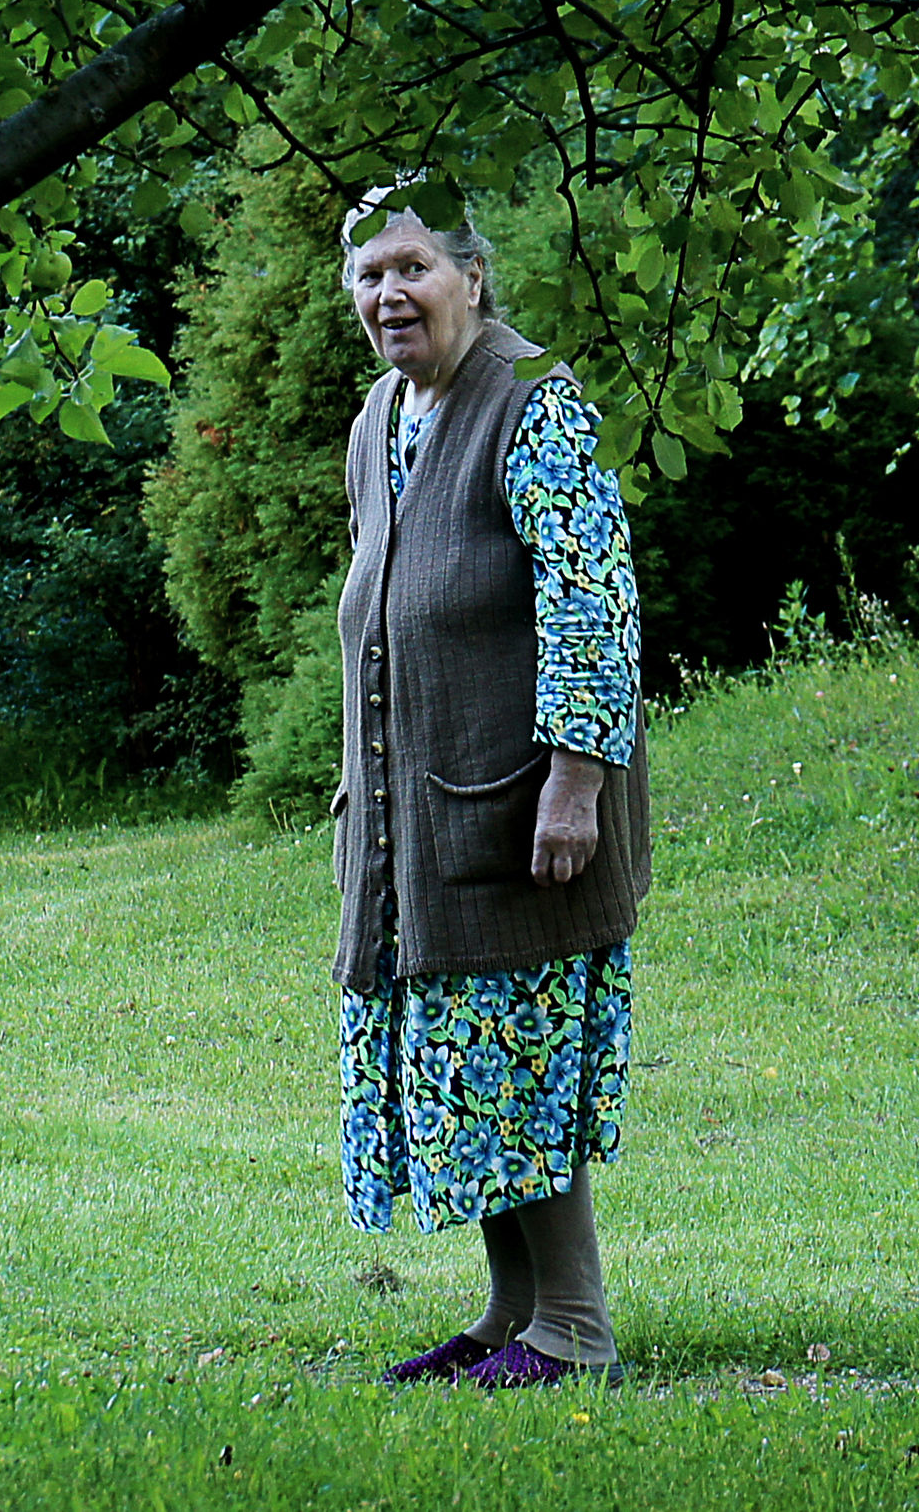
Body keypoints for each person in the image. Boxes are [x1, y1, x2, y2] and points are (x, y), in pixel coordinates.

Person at [329, 191, 650, 1389]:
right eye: (368, 276)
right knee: (460, 1062)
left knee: (517, 1055)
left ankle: (574, 1324)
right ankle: (511, 1312)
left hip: (520, 806)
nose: (388, 295)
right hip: (412, 815)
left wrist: (575, 781)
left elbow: (593, 601)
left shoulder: (535, 402)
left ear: (474, 276)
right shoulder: (381, 417)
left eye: (412, 266)